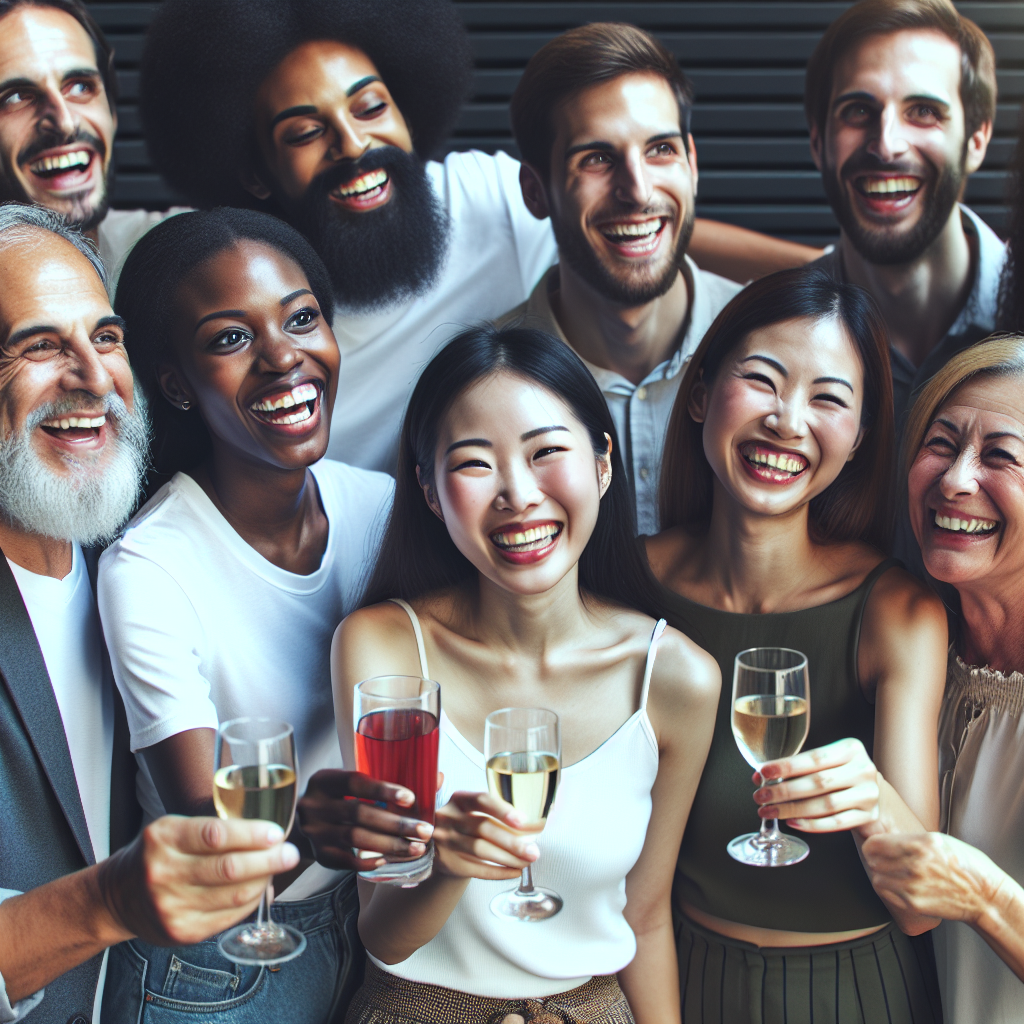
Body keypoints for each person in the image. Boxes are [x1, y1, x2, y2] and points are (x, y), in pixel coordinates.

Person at [139, 0, 819, 475]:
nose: (355, 144)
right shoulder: (223, 285)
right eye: (306, 132)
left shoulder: (478, 197)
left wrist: (827, 272)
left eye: (371, 106)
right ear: (257, 171)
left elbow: (640, 224)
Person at [332, 324, 720, 1023]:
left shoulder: (676, 678)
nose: (517, 493)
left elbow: (648, 917)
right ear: (427, 487)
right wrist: (448, 862)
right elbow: (382, 933)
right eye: (475, 464)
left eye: (546, 452)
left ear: (603, 463)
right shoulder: (385, 650)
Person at [96, 209, 414, 1021]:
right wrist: (304, 834)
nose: (283, 357)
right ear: (173, 383)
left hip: (370, 930)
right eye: (230, 338)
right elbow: (204, 839)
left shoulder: (380, 508)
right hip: (217, 964)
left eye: (302, 319)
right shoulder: (150, 565)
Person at [0, 203, 303, 1024]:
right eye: (40, 346)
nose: (94, 380)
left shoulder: (126, 560)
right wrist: (104, 902)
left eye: (105, 339)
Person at [645, 266, 949, 1022]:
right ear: (698, 393)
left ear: (858, 440)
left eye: (828, 399)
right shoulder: (628, 581)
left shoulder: (896, 610)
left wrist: (868, 798)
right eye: (762, 380)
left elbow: (920, 910)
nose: (788, 421)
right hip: (674, 981)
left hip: (856, 992)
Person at [499, 24, 742, 535]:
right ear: (535, 191)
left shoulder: (773, 348)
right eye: (597, 158)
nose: (637, 190)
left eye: (660, 150)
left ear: (692, 164)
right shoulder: (481, 386)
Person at [861, 335, 1024, 1024]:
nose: (955, 479)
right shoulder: (911, 643)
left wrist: (983, 896)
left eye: (1001, 456)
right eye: (941, 443)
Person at [806, 0, 1003, 434]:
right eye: (858, 110)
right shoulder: (777, 336)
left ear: (976, 139)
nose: (887, 144)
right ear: (818, 142)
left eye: (924, 111)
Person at [0, 0, 187, 289]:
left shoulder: (190, 253)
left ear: (112, 111)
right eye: (15, 97)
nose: (65, 123)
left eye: (79, 86)